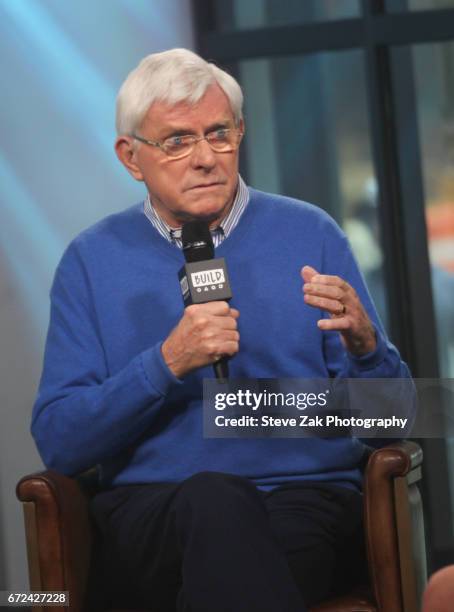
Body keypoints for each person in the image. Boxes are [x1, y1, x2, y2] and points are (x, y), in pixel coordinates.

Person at [32, 48, 411, 612]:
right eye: (178, 141)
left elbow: (395, 422)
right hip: (156, 513)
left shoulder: (311, 234)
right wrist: (166, 363)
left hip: (298, 503)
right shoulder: (91, 261)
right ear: (131, 157)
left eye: (219, 134)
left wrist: (366, 349)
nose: (205, 158)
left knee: (231, 547)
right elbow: (60, 442)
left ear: (241, 134)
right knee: (214, 498)